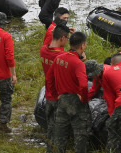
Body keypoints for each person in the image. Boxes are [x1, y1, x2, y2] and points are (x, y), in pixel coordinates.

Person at [45, 31, 90, 153]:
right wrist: (84, 99)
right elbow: (84, 85)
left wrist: (55, 95)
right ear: (83, 46)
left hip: (62, 100)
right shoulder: (78, 64)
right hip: (76, 102)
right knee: (80, 135)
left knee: (59, 134)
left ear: (69, 43)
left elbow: (49, 78)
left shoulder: (59, 58)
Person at [40, 24, 70, 152]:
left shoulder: (43, 50)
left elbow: (57, 47)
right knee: (61, 130)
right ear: (62, 38)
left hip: (48, 93)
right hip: (60, 96)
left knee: (50, 127)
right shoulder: (62, 57)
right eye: (67, 38)